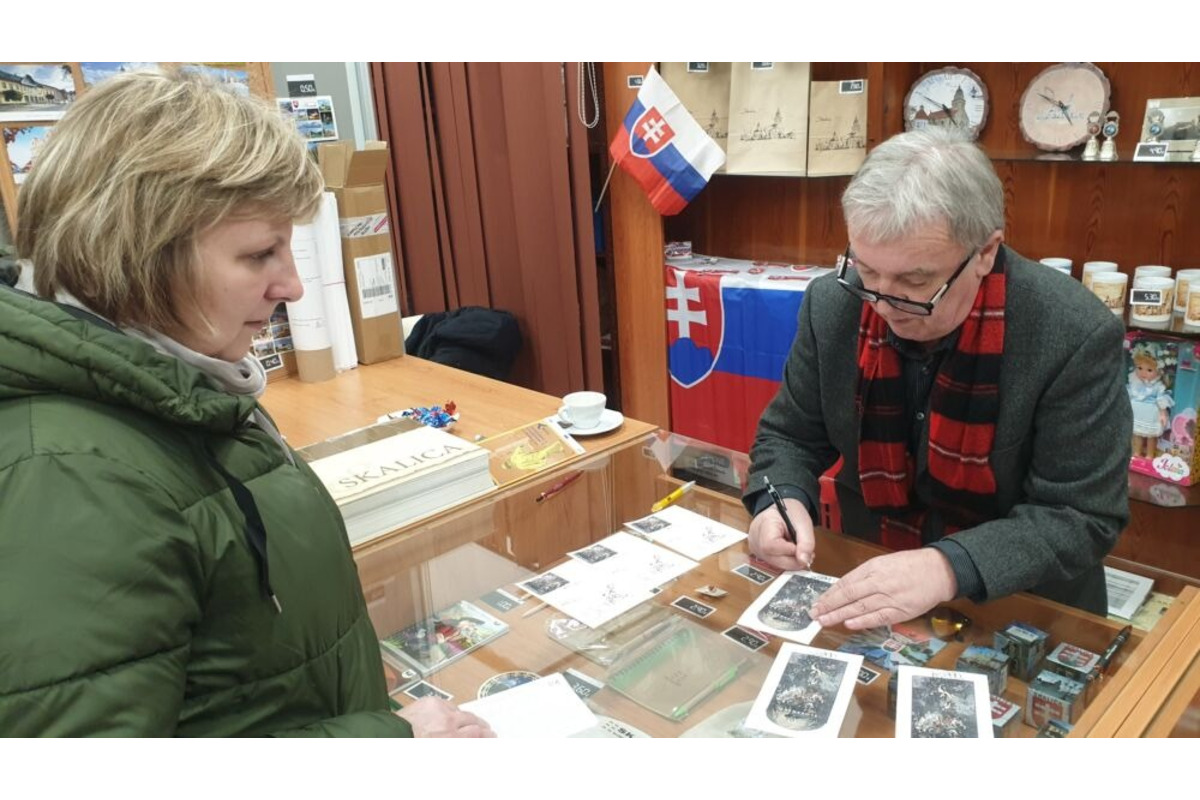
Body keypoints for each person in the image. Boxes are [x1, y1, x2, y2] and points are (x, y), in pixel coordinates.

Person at [0, 69, 492, 737]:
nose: (291, 285)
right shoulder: (67, 476)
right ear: (141, 256)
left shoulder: (179, 386)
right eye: (261, 254)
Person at [744, 127, 1131, 630]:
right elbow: (791, 434)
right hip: (870, 576)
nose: (883, 304)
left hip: (1022, 606)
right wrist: (779, 501)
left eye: (915, 282)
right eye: (867, 271)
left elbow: (1080, 516)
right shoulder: (834, 303)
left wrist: (947, 565)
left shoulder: (1072, 333)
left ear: (986, 251)